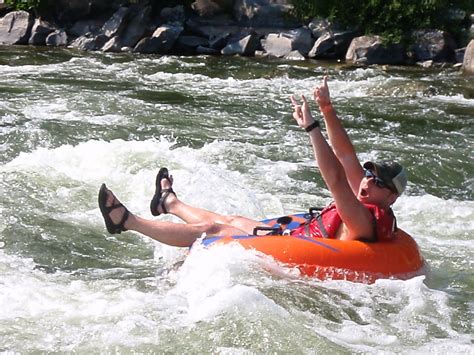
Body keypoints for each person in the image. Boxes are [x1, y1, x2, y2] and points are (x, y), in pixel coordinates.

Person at [98, 77, 407, 246]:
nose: (366, 181)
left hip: (294, 250)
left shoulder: (364, 219)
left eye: (376, 181)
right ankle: (169, 203)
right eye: (368, 174)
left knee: (211, 230)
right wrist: (326, 109)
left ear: (391, 197)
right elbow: (345, 157)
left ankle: (127, 222)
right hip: (293, 237)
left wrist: (311, 129)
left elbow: (337, 179)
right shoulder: (367, 197)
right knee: (231, 219)